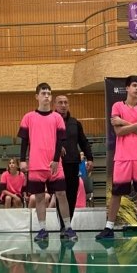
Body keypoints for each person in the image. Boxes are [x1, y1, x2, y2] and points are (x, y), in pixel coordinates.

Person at [96, 75, 137, 241]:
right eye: (134, 85)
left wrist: (124, 122)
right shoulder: (117, 106)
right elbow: (119, 132)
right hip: (122, 157)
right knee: (116, 193)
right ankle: (109, 227)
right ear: (127, 88)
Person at [19, 82, 76, 242]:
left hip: (54, 165)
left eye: (49, 93)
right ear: (37, 96)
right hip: (36, 165)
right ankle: (42, 229)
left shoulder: (57, 117)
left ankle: (68, 227)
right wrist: (22, 160)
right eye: (43, 93)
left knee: (62, 194)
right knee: (39, 197)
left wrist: (56, 160)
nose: (46, 96)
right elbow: (24, 141)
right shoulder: (28, 117)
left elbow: (60, 141)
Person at [54, 94, 94, 228]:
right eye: (60, 102)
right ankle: (62, 225)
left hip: (73, 164)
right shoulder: (50, 122)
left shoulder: (75, 123)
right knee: (60, 195)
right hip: (57, 165)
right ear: (55, 105)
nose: (63, 105)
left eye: (65, 102)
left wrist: (90, 158)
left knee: (71, 196)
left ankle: (68, 226)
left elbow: (84, 142)